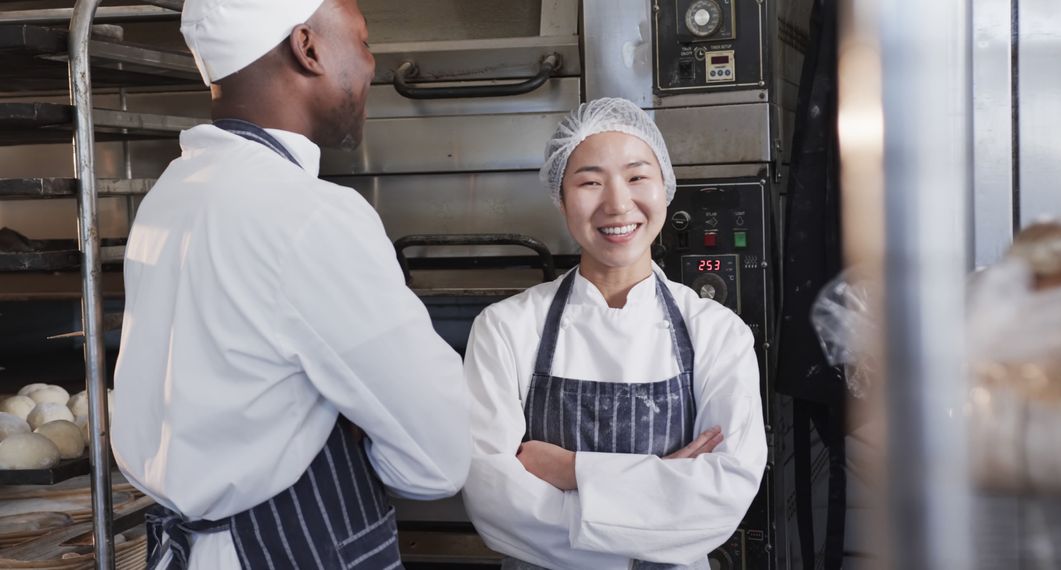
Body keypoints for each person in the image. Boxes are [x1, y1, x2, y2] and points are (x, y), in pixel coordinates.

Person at [110, 1, 471, 568]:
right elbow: (439, 456)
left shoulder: (171, 193)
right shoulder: (307, 214)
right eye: (363, 41)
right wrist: (346, 426)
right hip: (285, 550)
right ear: (308, 47)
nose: (372, 65)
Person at [461, 98, 767, 569]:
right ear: (561, 198)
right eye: (589, 181)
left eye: (637, 176)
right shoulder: (506, 329)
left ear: (665, 186)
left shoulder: (716, 333)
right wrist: (658, 488)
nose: (617, 203)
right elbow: (493, 501)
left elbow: (723, 497)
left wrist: (571, 471)